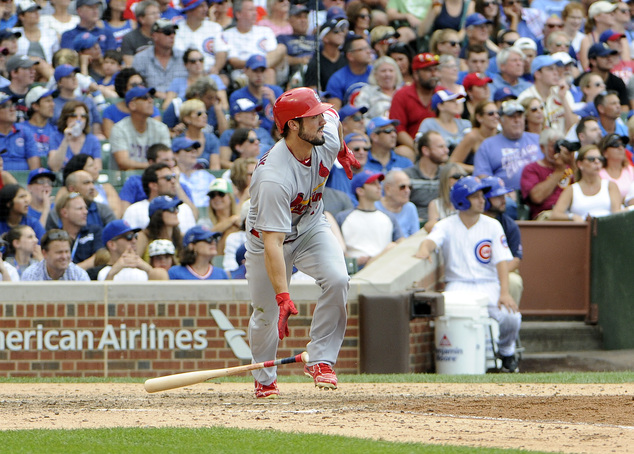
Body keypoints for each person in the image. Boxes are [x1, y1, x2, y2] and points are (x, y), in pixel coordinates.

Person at [245, 87, 360, 397]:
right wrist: (283, 295)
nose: (320, 120)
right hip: (267, 241)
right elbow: (273, 243)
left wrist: (344, 149)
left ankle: (321, 359)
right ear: (292, 125)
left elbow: (334, 117)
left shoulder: (325, 134)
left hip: (310, 226)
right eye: (312, 117)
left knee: (338, 279)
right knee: (265, 314)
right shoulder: (272, 178)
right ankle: (265, 377)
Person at [415, 176, 521, 372]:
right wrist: (424, 250)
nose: (482, 200)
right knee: (452, 318)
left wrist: (504, 293)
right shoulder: (446, 224)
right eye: (476, 196)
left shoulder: (492, 225)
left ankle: (506, 352)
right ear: (463, 199)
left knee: (511, 317)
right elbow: (430, 241)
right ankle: (456, 363)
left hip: (488, 283)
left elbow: (501, 262)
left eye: (482, 196)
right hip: (457, 284)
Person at [337, 170, 403, 268]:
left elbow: (401, 242)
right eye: (373, 183)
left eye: (379, 183)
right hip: (354, 269)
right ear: (360, 191)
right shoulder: (342, 217)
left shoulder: (389, 217)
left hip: (384, 267)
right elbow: (336, 249)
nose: (379, 186)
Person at [474, 100, 542, 191]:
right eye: (511, 117)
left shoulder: (538, 140)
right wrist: (501, 193)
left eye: (520, 116)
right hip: (506, 198)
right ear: (500, 120)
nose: (517, 120)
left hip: (540, 193)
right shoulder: (487, 145)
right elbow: (482, 176)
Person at [482, 176, 524, 307]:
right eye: (498, 197)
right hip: (475, 270)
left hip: (503, 270)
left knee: (514, 282)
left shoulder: (509, 225)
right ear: (485, 199)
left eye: (504, 196)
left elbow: (515, 260)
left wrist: (496, 275)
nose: (503, 200)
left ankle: (509, 320)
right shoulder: (472, 220)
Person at [551, 144, 622, 221]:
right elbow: (555, 214)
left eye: (600, 159)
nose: (597, 161)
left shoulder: (610, 186)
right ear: (580, 164)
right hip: (582, 231)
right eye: (591, 159)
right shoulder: (572, 190)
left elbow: (617, 214)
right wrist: (572, 216)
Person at [222, 0, 286, 85]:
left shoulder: (265, 31)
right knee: (268, 72)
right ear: (238, 14)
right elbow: (233, 61)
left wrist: (259, 67)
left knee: (281, 48)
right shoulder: (227, 34)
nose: (255, 13)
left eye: (255, 10)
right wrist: (253, 65)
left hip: (266, 71)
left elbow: (274, 55)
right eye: (250, 10)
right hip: (242, 73)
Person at [109, 86, 171, 170]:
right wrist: (154, 166)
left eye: (151, 97)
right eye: (145, 98)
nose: (150, 100)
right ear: (132, 105)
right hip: (129, 179)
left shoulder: (161, 128)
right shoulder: (119, 129)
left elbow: (168, 159)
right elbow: (123, 163)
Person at [122, 163, 197, 232]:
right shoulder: (134, 210)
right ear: (153, 185)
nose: (173, 181)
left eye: (174, 177)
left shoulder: (184, 208)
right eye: (168, 178)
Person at [520, 129, 575, 220]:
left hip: (573, 212)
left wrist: (573, 164)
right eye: (554, 146)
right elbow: (537, 197)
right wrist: (559, 171)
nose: (558, 151)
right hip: (547, 214)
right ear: (542, 148)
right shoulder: (532, 169)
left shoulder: (570, 167)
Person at [389, 52, 439, 150]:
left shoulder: (443, 94)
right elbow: (399, 130)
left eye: (435, 69)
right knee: (403, 151)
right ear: (416, 74)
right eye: (428, 70)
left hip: (443, 146)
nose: (433, 74)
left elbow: (453, 123)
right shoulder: (402, 95)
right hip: (413, 147)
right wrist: (418, 149)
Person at [517, 55, 577, 134]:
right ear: (537, 74)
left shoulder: (563, 92)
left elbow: (573, 127)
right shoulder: (525, 97)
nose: (556, 73)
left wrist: (563, 98)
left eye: (556, 69)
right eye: (550, 69)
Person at [132, 19, 187, 99]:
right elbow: (135, 84)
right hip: (150, 101)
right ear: (155, 36)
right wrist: (154, 93)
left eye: (174, 32)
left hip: (180, 103)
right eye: (167, 32)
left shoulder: (184, 57)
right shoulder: (141, 58)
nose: (172, 36)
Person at [229, 54, 283, 134]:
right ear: (246, 71)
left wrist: (273, 102)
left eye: (262, 71)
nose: (259, 75)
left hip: (275, 137)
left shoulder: (276, 91)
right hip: (249, 137)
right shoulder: (237, 96)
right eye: (255, 70)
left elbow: (286, 121)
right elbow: (234, 125)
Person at [98, 219, 168, 281]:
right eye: (129, 237)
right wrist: (113, 272)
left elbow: (163, 289)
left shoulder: (144, 269)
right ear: (112, 245)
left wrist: (147, 268)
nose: (134, 241)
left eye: (135, 236)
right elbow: (105, 293)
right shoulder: (105, 272)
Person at [404, 131, 449, 224]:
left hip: (441, 225)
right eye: (441, 147)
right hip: (416, 225)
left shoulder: (446, 175)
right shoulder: (407, 176)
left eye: (445, 146)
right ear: (426, 150)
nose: (446, 150)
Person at [46, 169, 116, 230]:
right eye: (86, 183)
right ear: (72, 189)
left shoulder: (103, 209)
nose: (92, 187)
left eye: (93, 183)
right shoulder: (56, 213)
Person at [173, 0, 227, 77]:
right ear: (189, 10)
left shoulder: (214, 27)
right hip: (182, 75)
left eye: (206, 6)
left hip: (208, 74)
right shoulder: (177, 29)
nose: (205, 9)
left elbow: (221, 53)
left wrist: (216, 69)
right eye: (201, 6)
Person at [48, 100, 102, 172]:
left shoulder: (92, 140)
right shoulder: (55, 137)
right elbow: (55, 168)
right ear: (66, 118)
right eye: (74, 116)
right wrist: (66, 140)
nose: (79, 119)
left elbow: (97, 169)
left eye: (83, 116)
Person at [56, 190, 103, 269]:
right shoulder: (55, 238)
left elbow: (99, 256)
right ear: (64, 213)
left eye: (85, 208)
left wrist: (74, 272)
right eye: (80, 209)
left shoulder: (95, 231)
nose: (85, 212)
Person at [21, 229, 90, 281]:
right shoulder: (30, 275)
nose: (64, 257)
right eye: (59, 252)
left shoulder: (79, 275)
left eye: (67, 252)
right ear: (44, 253)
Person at [450, 100, 499, 172]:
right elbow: (452, 163)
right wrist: (478, 169)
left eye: (497, 113)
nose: (496, 116)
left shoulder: (501, 135)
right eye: (491, 114)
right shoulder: (472, 136)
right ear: (479, 117)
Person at [303, 14, 348, 92]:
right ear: (325, 38)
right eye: (336, 32)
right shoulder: (316, 63)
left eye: (342, 31)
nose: (341, 33)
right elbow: (313, 92)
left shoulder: (347, 58)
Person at [136, 195, 182, 262]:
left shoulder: (180, 237)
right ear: (158, 214)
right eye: (171, 209)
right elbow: (134, 262)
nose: (176, 212)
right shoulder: (144, 237)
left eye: (176, 208)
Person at [177, 98, 220, 170]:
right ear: (187, 118)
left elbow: (215, 168)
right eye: (199, 114)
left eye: (206, 113)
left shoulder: (212, 139)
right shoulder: (179, 141)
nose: (204, 116)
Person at [172, 136, 215, 208]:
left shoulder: (206, 175)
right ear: (176, 155)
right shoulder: (172, 177)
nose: (194, 151)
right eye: (188, 149)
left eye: (195, 148)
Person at [355, 56, 403, 120]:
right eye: (383, 71)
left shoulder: (403, 91)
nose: (387, 74)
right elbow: (361, 116)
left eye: (391, 71)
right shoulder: (367, 92)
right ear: (375, 75)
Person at [0, 92, 39, 171]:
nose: (12, 109)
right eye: (5, 106)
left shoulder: (24, 131)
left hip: (24, 180)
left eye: (13, 105)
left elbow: (34, 164)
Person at [424, 163, 468, 232]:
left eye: (464, 176)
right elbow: (431, 228)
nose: (461, 179)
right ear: (446, 180)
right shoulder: (435, 204)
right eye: (456, 176)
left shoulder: (470, 202)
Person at [375, 169, 419, 238]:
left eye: (409, 187)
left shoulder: (410, 207)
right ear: (388, 189)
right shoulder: (375, 207)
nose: (407, 191)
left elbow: (415, 237)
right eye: (402, 187)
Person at [22, 86, 57, 162]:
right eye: (48, 101)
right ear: (35, 106)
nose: (53, 104)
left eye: (52, 101)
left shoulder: (55, 130)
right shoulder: (21, 129)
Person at [120, 0, 159, 66]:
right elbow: (129, 65)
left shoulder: (163, 35)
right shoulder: (130, 38)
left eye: (158, 13)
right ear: (141, 19)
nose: (157, 17)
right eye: (153, 14)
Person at [598, 133, 633, 203]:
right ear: (605, 153)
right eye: (615, 145)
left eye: (623, 145)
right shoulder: (598, 174)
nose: (621, 148)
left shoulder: (630, 170)